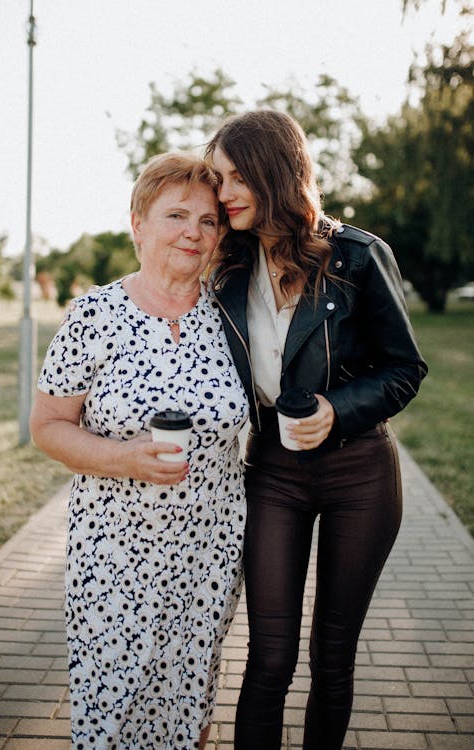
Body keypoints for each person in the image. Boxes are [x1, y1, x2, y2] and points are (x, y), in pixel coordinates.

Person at [204, 110, 428, 750]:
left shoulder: (358, 256)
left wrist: (338, 409)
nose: (221, 195)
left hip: (360, 473)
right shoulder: (229, 267)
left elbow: (405, 368)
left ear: (273, 171)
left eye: (233, 177)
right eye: (217, 180)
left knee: (333, 657)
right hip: (272, 473)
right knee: (270, 657)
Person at [29, 152, 249, 750]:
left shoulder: (232, 316)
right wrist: (123, 458)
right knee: (114, 708)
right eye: (176, 215)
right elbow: (47, 425)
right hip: (115, 554)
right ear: (137, 222)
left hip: (209, 553)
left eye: (208, 221)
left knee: (190, 706)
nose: (193, 232)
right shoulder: (94, 315)